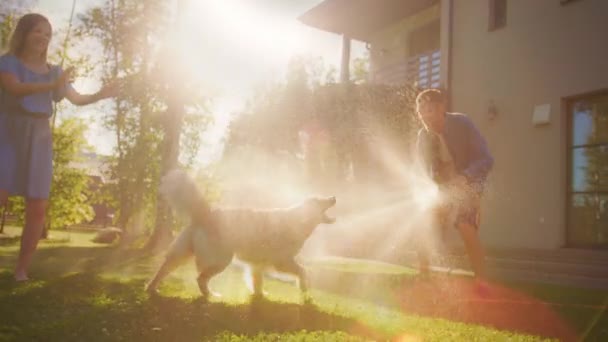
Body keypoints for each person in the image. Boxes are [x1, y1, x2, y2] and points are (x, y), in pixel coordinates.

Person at [0, 13, 117, 281]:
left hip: (39, 137)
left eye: (47, 34)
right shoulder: (7, 62)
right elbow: (14, 88)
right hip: (7, 132)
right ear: (24, 34)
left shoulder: (54, 71)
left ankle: (21, 270)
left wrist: (101, 94)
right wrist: (51, 85)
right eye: (37, 31)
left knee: (38, 205)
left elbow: (76, 98)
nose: (42, 37)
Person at [414, 88, 494, 291]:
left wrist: (465, 177)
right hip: (443, 190)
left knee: (465, 227)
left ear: (442, 108)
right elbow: (420, 171)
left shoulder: (462, 123)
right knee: (423, 224)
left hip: (468, 187)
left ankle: (482, 281)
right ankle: (423, 277)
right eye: (420, 110)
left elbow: (486, 159)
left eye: (429, 110)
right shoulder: (423, 137)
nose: (424, 115)